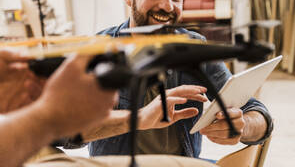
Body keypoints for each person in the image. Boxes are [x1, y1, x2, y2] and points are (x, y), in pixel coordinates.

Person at [89, 0, 273, 159]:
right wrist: (140, 118)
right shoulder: (96, 52)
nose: (168, 6)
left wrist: (243, 126)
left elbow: (258, 114)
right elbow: (64, 134)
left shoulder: (193, 48)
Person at [0, 49, 207, 167]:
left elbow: (240, 116)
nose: (167, 5)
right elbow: (66, 136)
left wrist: (140, 118)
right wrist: (49, 116)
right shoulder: (103, 47)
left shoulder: (194, 44)